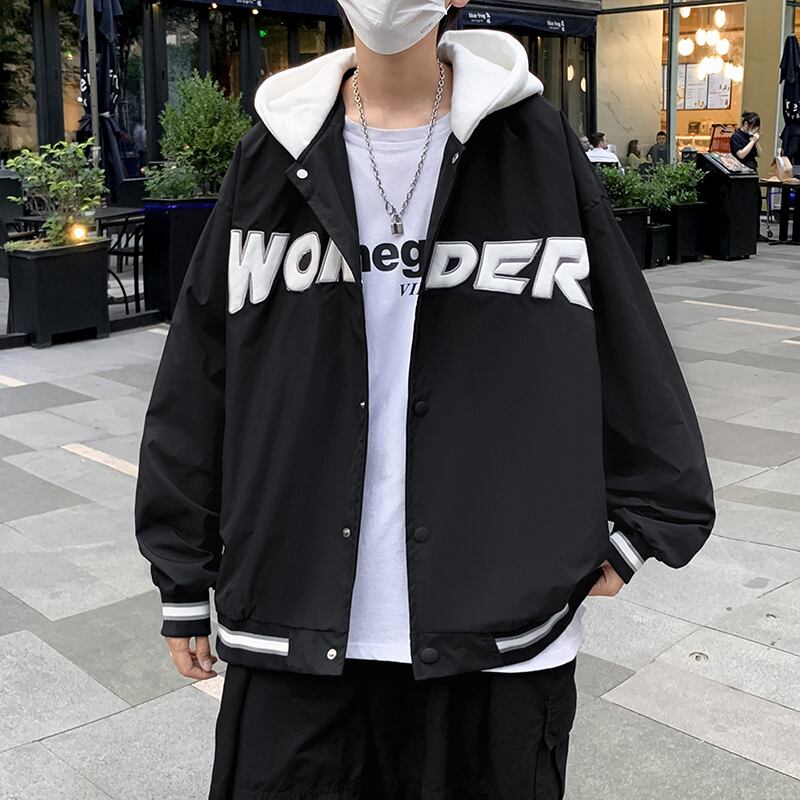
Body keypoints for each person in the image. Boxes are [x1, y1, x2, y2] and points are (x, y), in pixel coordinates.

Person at [133, 1, 716, 798]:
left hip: (500, 628)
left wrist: (645, 520)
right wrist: (180, 572)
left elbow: (620, 332)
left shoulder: (532, 145)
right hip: (290, 610)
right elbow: (201, 368)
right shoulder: (275, 150)